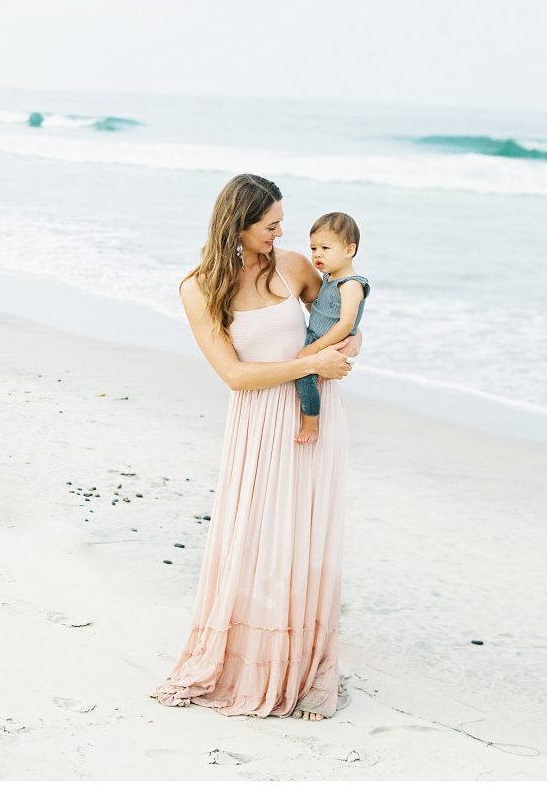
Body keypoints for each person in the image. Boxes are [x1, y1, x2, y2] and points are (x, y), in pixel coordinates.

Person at [150, 173, 361, 720]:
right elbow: (235, 376)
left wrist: (351, 341)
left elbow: (338, 310)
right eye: (270, 225)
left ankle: (302, 663)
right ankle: (253, 661)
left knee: (305, 539)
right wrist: (309, 363)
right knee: (259, 540)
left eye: (281, 222)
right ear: (237, 226)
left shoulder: (292, 266)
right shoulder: (198, 287)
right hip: (258, 423)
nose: (281, 232)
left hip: (313, 416)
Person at [293, 213, 370, 446]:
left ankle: (311, 423)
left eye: (325, 247)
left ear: (349, 250)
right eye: (313, 247)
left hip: (327, 340)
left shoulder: (351, 284)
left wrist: (315, 348)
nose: (317, 254)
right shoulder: (330, 277)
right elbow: (322, 308)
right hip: (317, 334)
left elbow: (346, 324)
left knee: (304, 377)